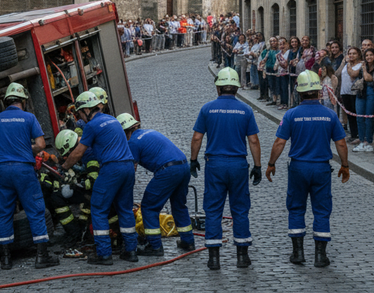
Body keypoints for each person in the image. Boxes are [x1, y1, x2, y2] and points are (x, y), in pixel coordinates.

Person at [265, 70, 350, 268]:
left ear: (299, 92)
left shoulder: (291, 114)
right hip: (321, 168)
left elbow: (279, 142)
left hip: (298, 167)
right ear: (319, 92)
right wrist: (345, 165)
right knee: (321, 210)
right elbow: (342, 144)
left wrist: (271, 163)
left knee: (296, 208)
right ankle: (320, 256)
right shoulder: (329, 114)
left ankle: (298, 253)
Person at [190, 68, 262, 270]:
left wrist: (193, 160)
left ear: (218, 87)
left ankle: (214, 258)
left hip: (215, 164)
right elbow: (254, 141)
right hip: (238, 164)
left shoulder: (207, 109)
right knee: (240, 209)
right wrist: (257, 166)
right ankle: (242, 256)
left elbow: (197, 137)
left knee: (213, 210)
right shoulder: (246, 110)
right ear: (237, 89)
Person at [61, 92, 138, 265]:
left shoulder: (92, 125)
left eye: (80, 112)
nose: (80, 117)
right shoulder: (113, 120)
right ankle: (131, 251)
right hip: (128, 167)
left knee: (97, 208)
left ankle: (104, 254)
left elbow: (79, 151)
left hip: (112, 169)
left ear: (87, 109)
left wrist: (64, 166)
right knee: (124, 209)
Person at [0, 83, 59, 270]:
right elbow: (40, 145)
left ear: (7, 101)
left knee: (5, 212)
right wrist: (27, 148)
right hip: (23, 170)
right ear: (23, 100)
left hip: (3, 170)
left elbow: (4, 142)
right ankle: (42, 256)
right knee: (35, 210)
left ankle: (5, 259)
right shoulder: (29, 118)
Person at [118, 113, 195, 256]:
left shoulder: (132, 143)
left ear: (124, 131)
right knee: (179, 205)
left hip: (168, 171)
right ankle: (188, 241)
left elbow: (130, 170)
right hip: (183, 166)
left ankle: (154, 246)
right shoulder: (149, 132)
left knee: (149, 207)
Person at [43, 129, 98, 247]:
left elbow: (93, 182)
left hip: (96, 192)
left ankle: (75, 233)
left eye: (68, 153)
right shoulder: (84, 148)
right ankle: (76, 230)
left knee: (57, 197)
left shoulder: (89, 154)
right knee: (57, 195)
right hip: (92, 190)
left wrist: (75, 183)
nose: (68, 157)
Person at [337, 47, 363, 144]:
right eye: (350, 53)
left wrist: (348, 66)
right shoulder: (346, 64)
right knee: (349, 114)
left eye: (354, 53)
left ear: (358, 55)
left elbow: (353, 75)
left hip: (354, 93)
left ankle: (358, 135)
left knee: (355, 113)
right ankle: (353, 134)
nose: (351, 55)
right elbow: (338, 73)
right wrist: (344, 63)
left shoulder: (360, 65)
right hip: (345, 92)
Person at [355, 48, 374, 152]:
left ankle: (368, 141)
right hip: (361, 92)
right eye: (367, 55)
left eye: (371, 55)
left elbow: (369, 78)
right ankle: (361, 140)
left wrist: (364, 69)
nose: (369, 57)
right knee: (359, 117)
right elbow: (353, 74)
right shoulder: (361, 66)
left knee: (369, 117)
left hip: (371, 91)